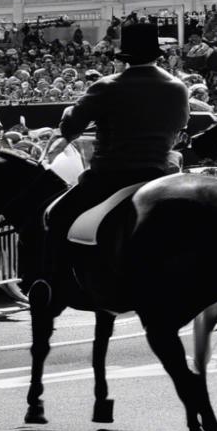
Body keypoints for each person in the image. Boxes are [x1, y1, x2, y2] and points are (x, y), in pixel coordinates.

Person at [43, 23, 189, 275]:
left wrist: (69, 112)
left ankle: (52, 283)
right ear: (156, 55)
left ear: (125, 57)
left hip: (111, 176)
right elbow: (180, 126)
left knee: (55, 215)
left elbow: (71, 126)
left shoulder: (106, 86)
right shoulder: (178, 87)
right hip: (162, 173)